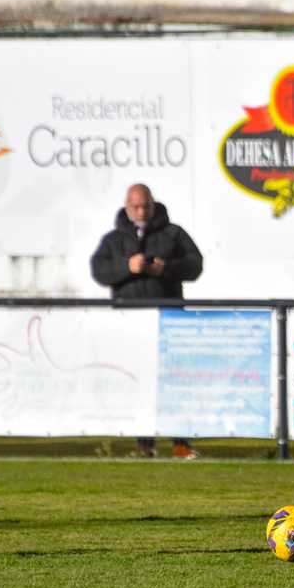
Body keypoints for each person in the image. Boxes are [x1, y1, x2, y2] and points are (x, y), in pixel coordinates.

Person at [90, 184, 203, 460]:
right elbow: (99, 270)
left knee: (173, 384)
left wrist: (167, 268)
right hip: (131, 325)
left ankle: (180, 444)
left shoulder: (173, 233)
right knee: (138, 383)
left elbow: (195, 264)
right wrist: (127, 267)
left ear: (153, 204)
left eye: (146, 206)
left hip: (168, 322)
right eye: (136, 206)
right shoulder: (114, 240)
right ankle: (144, 445)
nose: (141, 211)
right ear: (127, 206)